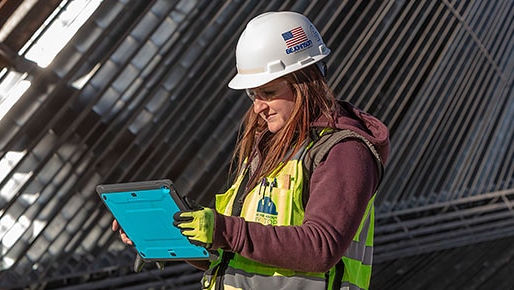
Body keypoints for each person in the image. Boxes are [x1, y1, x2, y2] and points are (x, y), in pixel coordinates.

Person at [113, 11, 390, 290]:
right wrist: (172, 234)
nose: (258, 107)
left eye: (268, 93)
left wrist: (223, 230)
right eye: (253, 95)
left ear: (305, 82)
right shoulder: (269, 148)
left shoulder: (344, 151)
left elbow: (321, 248)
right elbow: (236, 255)